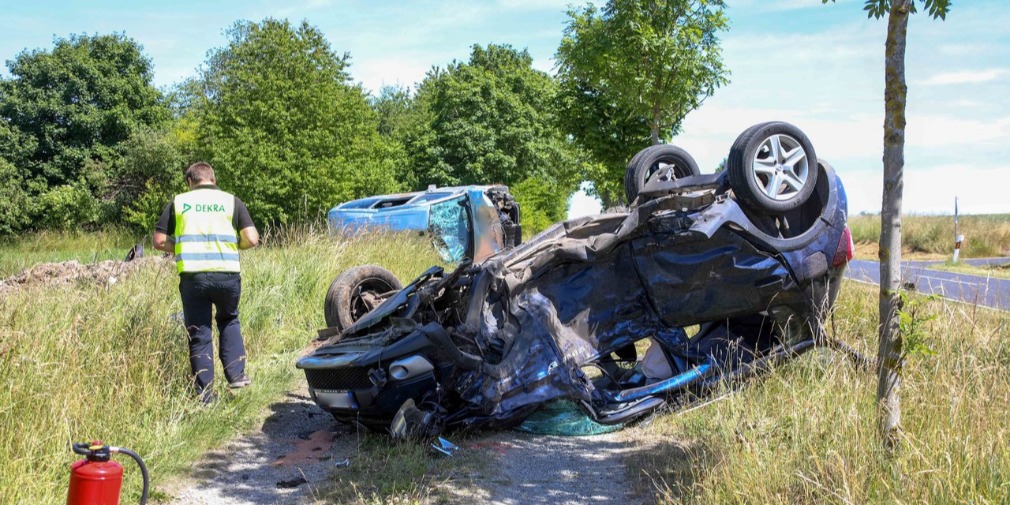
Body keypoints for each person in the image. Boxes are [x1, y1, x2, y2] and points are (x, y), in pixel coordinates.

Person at [153, 162, 259, 403]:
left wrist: (179, 247)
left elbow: (159, 241)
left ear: (190, 181)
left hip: (193, 277)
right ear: (213, 178)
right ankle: (236, 375)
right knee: (229, 319)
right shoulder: (231, 201)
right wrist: (234, 245)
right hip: (227, 274)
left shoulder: (178, 202)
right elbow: (252, 239)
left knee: (199, 332)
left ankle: (206, 397)